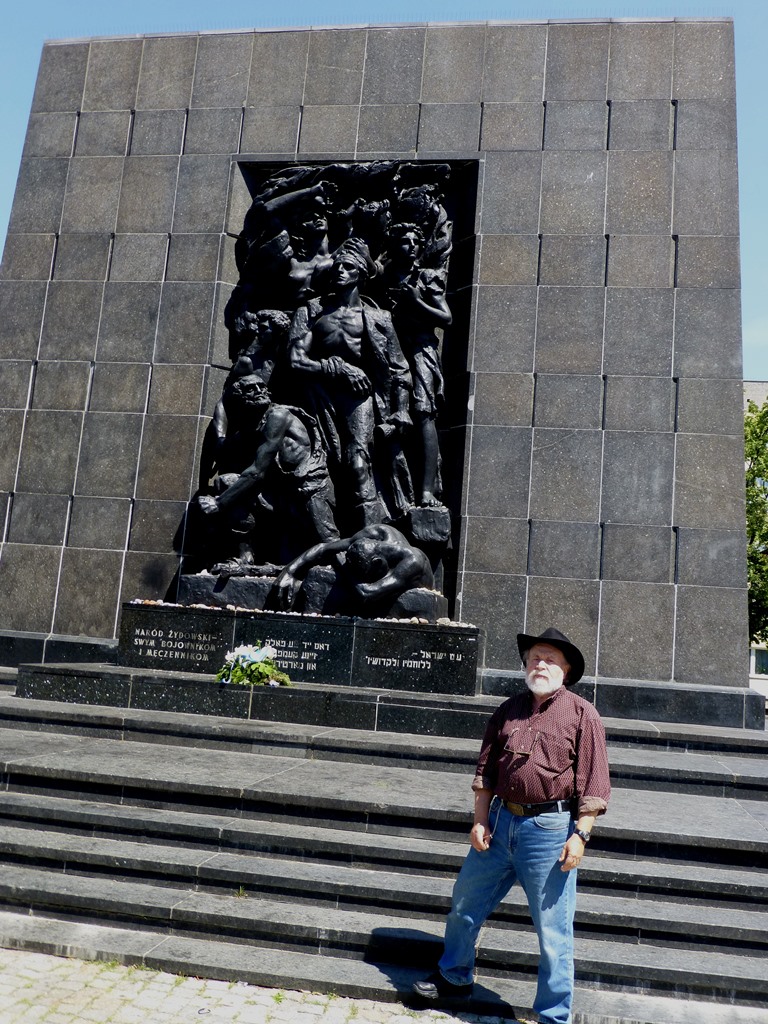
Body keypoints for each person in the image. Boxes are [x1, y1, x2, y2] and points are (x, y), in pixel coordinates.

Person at [412, 627, 611, 1024]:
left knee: (553, 932)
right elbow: (485, 771)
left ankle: (553, 1016)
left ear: (566, 671)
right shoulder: (507, 710)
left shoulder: (582, 714)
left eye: (551, 659)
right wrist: (479, 820)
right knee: (464, 904)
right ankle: (454, 977)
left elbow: (594, 782)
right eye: (535, 657)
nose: (541, 665)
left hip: (549, 831)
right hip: (499, 824)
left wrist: (580, 835)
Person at [288, 237, 412, 527]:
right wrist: (337, 369)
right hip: (317, 398)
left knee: (357, 463)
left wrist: (402, 410)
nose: (339, 271)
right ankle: (327, 537)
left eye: (347, 267)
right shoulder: (311, 311)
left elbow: (400, 370)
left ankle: (372, 534)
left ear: (362, 274)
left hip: (359, 398)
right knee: (316, 466)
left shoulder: (379, 318)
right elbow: (295, 360)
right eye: (337, 267)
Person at [272, 523, 433, 612]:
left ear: (377, 562)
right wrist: (290, 571)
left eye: (364, 575)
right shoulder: (377, 532)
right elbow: (323, 548)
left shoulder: (413, 561)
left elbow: (367, 593)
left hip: (398, 602)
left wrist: (343, 568)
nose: (363, 578)